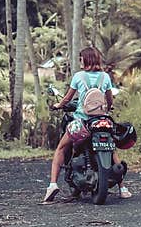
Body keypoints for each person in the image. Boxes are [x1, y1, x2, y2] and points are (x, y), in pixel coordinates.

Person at [43, 46, 131, 203]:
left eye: (81, 58)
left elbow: (67, 99)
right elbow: (109, 99)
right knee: (111, 150)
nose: (80, 61)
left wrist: (58, 105)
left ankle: (52, 185)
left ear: (85, 59)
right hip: (102, 120)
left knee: (61, 148)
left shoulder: (79, 76)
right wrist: (108, 108)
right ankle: (123, 188)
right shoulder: (105, 77)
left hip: (81, 122)